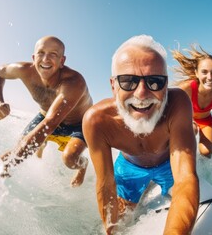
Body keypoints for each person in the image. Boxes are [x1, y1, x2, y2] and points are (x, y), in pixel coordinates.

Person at [82, 35, 199, 234]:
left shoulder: (178, 102)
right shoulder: (97, 121)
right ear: (113, 86)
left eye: (155, 81)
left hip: (167, 164)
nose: (142, 94)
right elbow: (106, 184)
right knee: (121, 221)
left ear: (166, 85)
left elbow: (185, 179)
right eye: (128, 81)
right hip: (129, 168)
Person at [0, 36, 93, 187]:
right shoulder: (23, 70)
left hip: (78, 123)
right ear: (34, 57)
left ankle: (83, 165)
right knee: (30, 145)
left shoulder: (74, 82)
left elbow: (50, 124)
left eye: (53, 54)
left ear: (62, 61)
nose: (45, 59)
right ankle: (40, 152)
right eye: (41, 53)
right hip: (45, 116)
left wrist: (13, 160)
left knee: (69, 159)